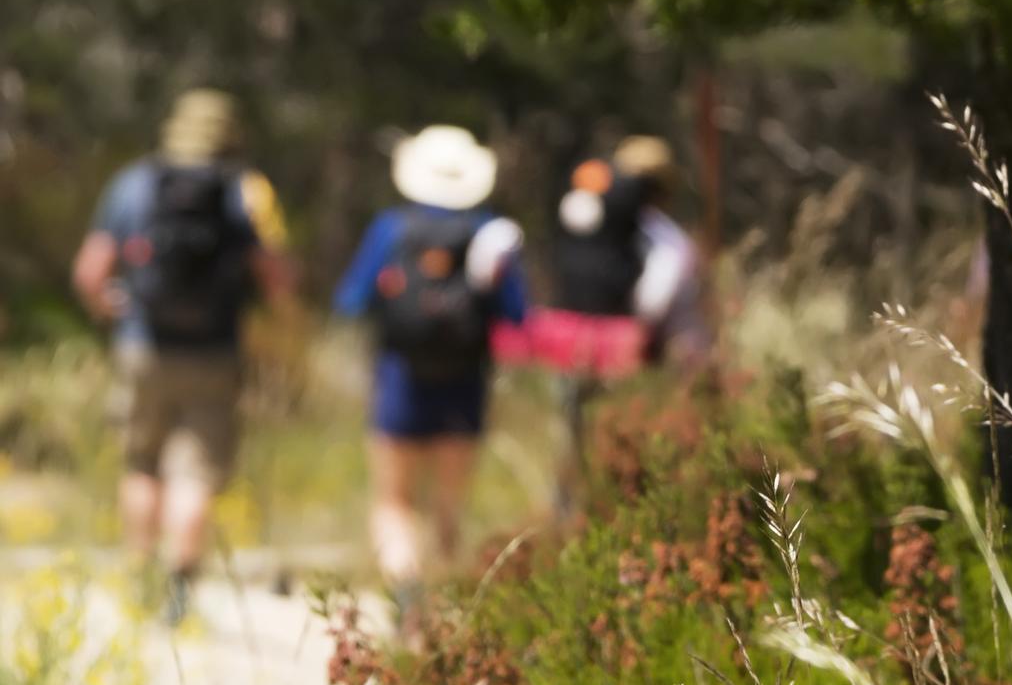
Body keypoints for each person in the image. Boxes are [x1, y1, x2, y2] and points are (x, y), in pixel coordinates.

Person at [70, 89, 292, 622]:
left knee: (142, 462)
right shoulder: (247, 189)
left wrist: (114, 310)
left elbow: (89, 273)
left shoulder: (132, 183)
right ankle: (178, 588)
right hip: (215, 352)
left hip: (142, 345)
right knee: (195, 472)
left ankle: (138, 573)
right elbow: (279, 279)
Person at [334, 125, 527, 626]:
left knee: (395, 502)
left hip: (400, 380)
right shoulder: (491, 234)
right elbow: (516, 314)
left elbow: (351, 300)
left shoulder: (391, 230)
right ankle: (441, 614)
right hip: (465, 384)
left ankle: (407, 596)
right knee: (447, 507)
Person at [530, 133, 706, 511]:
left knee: (573, 432)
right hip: (627, 347)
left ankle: (567, 510)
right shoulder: (662, 236)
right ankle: (615, 510)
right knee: (624, 434)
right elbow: (659, 295)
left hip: (571, 337)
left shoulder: (587, 217)